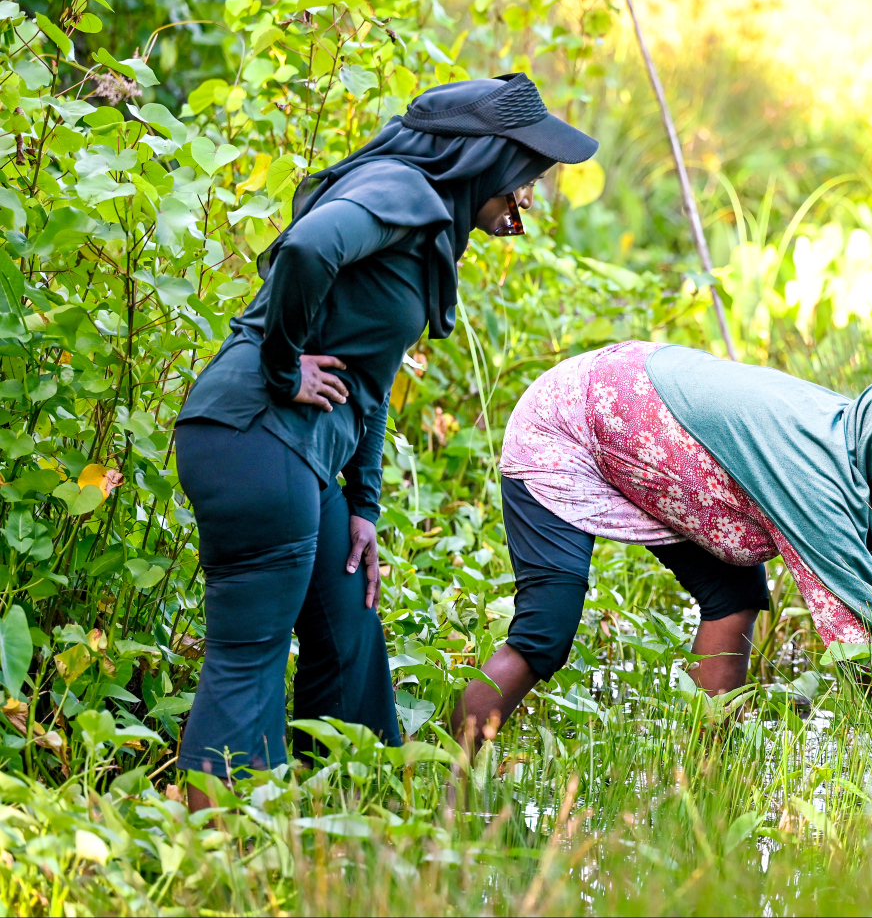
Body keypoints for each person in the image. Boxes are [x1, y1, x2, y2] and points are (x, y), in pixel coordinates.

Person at [172, 74, 597, 806]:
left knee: (350, 625)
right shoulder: (401, 190)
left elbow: (369, 375)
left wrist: (363, 505)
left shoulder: (424, 224)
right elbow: (308, 248)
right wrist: (282, 367)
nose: (529, 195)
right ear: (486, 160)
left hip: (299, 457)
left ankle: (350, 820)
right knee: (247, 662)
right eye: (526, 174)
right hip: (254, 439)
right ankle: (214, 849)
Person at [452, 341, 872, 741]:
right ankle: (448, 784)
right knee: (545, 634)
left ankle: (705, 775)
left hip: (651, 421)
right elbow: (859, 661)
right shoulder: (811, 483)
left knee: (735, 597)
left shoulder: (870, 442)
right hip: (567, 425)